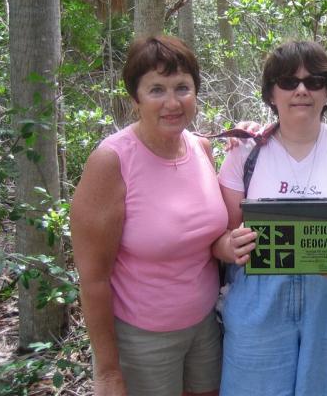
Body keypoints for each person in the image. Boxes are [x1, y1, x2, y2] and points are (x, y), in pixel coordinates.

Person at [215, 40, 327, 396]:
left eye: (314, 81)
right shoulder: (245, 152)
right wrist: (230, 246)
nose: (301, 89)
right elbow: (218, 237)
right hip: (258, 300)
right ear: (272, 93)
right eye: (288, 81)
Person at [71, 35, 227, 396]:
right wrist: (108, 372)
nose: (172, 102)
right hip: (143, 339)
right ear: (135, 99)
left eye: (182, 88)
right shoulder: (112, 161)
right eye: (156, 89)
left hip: (206, 327)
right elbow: (93, 279)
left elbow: (205, 234)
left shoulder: (201, 147)